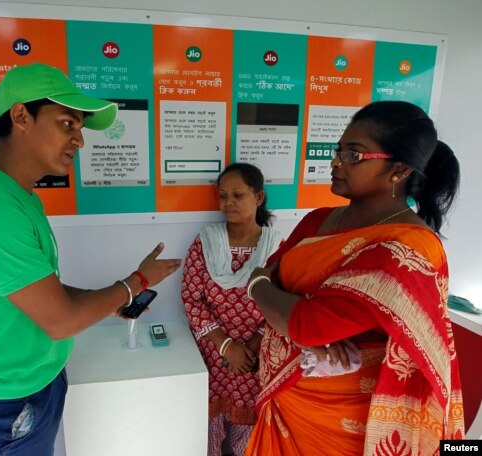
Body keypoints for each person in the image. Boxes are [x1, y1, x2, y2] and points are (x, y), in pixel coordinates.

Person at [0, 63, 181, 456]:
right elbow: (61, 320)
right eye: (68, 123)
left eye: (79, 128)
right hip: (2, 407)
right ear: (20, 116)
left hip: (29, 386)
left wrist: (108, 300)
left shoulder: (19, 196)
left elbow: (36, 288)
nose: (79, 140)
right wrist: (135, 283)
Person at [244, 100, 465, 455]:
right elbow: (275, 278)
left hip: (346, 427)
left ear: (398, 171)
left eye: (353, 155)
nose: (334, 162)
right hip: (288, 404)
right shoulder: (318, 220)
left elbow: (302, 321)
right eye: (338, 151)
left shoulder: (408, 247)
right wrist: (270, 294)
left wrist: (261, 287)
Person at [181, 163, 281, 456]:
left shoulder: (277, 247)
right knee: (205, 435)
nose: (228, 203)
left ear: (259, 197)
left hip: (256, 357)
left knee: (249, 442)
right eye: (223, 196)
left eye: (238, 195)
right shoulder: (206, 243)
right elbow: (191, 299)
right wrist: (226, 347)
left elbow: (283, 301)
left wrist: (249, 348)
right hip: (213, 356)